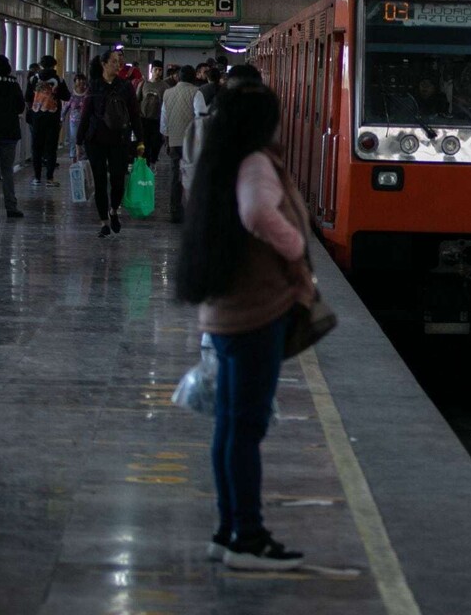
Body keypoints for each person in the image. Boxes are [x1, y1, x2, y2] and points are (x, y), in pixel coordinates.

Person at [177, 83, 310, 571]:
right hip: (255, 313)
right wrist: (295, 247)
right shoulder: (255, 163)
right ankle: (247, 538)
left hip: (225, 313)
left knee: (230, 426)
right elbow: (257, 212)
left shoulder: (220, 159)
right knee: (245, 428)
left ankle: (226, 528)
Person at [77, 49, 144, 238]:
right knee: (99, 181)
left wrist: (140, 141)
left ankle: (113, 210)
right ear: (104, 64)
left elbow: (134, 115)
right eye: (114, 61)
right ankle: (103, 222)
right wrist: (78, 141)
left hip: (119, 140)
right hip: (95, 140)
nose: (118, 64)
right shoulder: (94, 86)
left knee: (117, 180)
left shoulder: (126, 87)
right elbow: (85, 114)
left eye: (119, 61)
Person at [162, 65, 201, 222]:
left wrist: (166, 138)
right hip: (191, 142)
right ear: (193, 78)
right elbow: (201, 117)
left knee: (175, 175)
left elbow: (163, 120)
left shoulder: (167, 93)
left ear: (178, 77)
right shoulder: (196, 93)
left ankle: (174, 210)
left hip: (174, 141)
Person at [27, 55, 70, 187]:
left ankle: (37, 177)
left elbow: (27, 96)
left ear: (41, 65)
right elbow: (66, 96)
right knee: (51, 148)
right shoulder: (58, 79)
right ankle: (49, 178)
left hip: (37, 116)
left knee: (36, 147)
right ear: (53, 66)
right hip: (52, 116)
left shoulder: (34, 79)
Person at [0, 55, 24, 217]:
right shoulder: (14, 84)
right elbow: (20, 107)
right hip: (9, 133)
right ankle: (11, 207)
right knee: (7, 171)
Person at [138, 60, 168, 167]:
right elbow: (137, 100)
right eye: (156, 69)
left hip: (157, 119)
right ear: (151, 70)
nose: (158, 72)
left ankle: (153, 161)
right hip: (144, 119)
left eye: (160, 70)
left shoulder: (165, 86)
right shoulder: (143, 84)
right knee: (144, 143)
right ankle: (144, 164)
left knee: (155, 143)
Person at [63, 74, 88, 162]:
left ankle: (84, 159)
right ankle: (74, 158)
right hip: (74, 121)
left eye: (82, 80)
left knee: (85, 141)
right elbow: (65, 108)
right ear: (75, 81)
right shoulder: (71, 94)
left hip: (86, 121)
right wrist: (61, 118)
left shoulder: (88, 93)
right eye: (79, 80)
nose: (81, 82)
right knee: (74, 139)